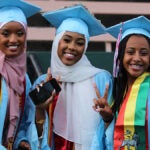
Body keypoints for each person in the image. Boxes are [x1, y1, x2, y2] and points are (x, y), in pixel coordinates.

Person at [32, 4, 113, 150]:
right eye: (67, 40)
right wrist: (40, 110)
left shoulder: (101, 79)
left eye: (80, 43)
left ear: (86, 46)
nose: (72, 47)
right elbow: (34, 138)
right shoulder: (43, 82)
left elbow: (111, 130)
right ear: (57, 41)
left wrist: (107, 118)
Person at [91, 15, 150, 150]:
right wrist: (108, 119)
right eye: (130, 52)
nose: (136, 58)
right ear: (121, 55)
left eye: (144, 53)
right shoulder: (116, 93)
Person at [0, 0, 41, 149]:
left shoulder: (23, 79)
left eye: (20, 33)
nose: (13, 40)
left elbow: (22, 121)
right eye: (5, 33)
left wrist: (21, 141)